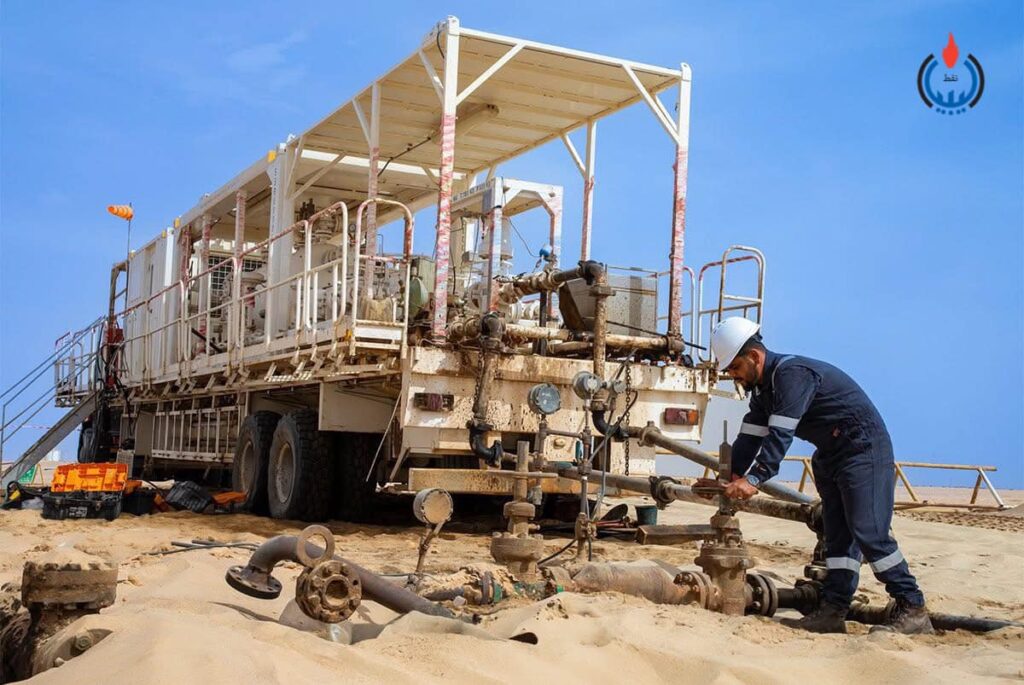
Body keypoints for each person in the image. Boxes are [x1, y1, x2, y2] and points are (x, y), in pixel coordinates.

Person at [708, 317, 933, 635]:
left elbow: (779, 436)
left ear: (755, 356)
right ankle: (833, 610)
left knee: (869, 532)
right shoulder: (763, 393)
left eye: (735, 367)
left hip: (863, 450)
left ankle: (912, 606)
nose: (734, 376)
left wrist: (755, 479)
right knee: (837, 536)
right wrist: (729, 478)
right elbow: (750, 439)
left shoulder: (791, 375)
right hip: (830, 455)